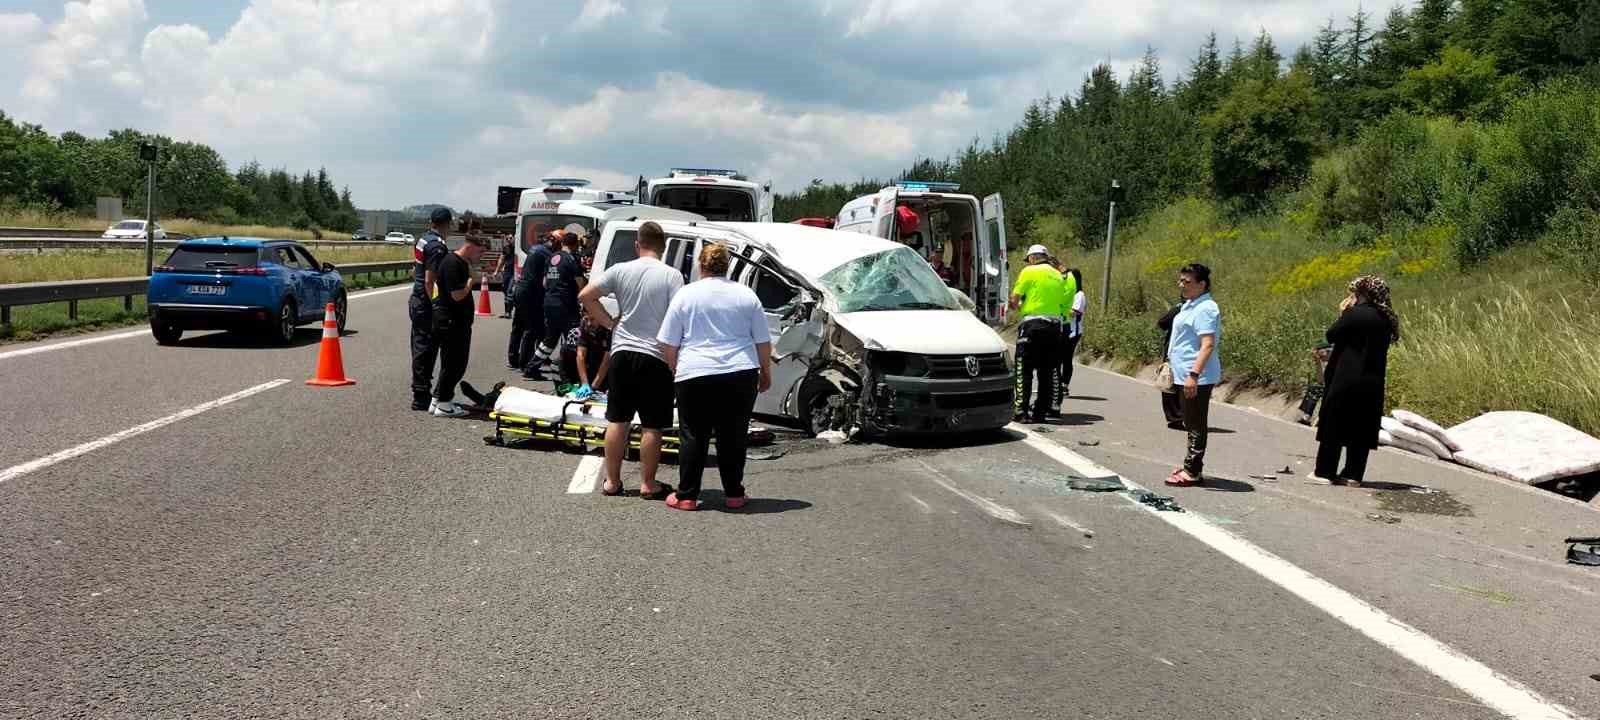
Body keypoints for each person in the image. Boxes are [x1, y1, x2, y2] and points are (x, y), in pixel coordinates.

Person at [656, 243, 773, 511]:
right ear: (728, 266)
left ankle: (687, 495)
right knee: (733, 435)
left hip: (694, 371)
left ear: (701, 265)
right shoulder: (746, 296)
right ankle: (734, 493)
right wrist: (765, 371)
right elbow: (762, 341)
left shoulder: (686, 295)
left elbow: (668, 343)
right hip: (739, 372)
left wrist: (675, 368)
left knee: (693, 434)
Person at [578, 221, 683, 500]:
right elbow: (678, 317)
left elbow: (586, 296)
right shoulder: (672, 276)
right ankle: (649, 483)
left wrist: (609, 323)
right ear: (663, 247)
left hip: (623, 352)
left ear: (638, 244)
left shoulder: (621, 270)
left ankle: (612, 481)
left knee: (618, 419)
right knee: (652, 424)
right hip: (655, 355)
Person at [1312, 276, 1400, 487]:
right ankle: (1353, 474)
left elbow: (1331, 334)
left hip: (1346, 377)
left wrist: (1344, 313)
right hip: (1372, 380)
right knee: (1361, 426)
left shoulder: (1354, 315)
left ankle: (1325, 471)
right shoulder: (1386, 319)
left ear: (1362, 295)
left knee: (1334, 421)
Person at [1165, 263, 1222, 487]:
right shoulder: (1190, 305)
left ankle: (1193, 471)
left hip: (1197, 375)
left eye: (1187, 282)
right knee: (1189, 421)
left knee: (1196, 422)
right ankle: (1190, 463)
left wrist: (1193, 375)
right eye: (1181, 280)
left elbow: (1207, 344)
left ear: (1202, 284)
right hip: (1183, 373)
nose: (1182, 285)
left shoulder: (1206, 308)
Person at [429, 234, 488, 417]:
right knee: (456, 363)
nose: (481, 256)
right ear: (469, 247)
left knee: (450, 362)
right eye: (480, 252)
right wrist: (471, 281)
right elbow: (457, 295)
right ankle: (444, 404)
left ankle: (437, 399)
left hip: (451, 320)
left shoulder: (457, 261)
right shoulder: (453, 263)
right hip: (452, 321)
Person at [1008, 245, 1067, 423]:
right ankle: (1040, 412)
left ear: (1032, 258)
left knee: (1023, 368)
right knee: (1047, 371)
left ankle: (1021, 411)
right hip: (1054, 327)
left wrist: (1016, 306)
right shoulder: (1058, 275)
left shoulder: (1029, 271)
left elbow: (1014, 299)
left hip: (1032, 324)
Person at [409, 208, 452, 411]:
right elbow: (430, 280)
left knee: (419, 345)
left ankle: (420, 390)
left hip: (417, 299)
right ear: (447, 224)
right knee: (426, 349)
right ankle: (421, 394)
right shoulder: (437, 246)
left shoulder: (423, 239)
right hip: (426, 302)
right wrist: (436, 304)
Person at [527, 231, 585, 374]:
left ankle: (531, 368)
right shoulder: (571, 259)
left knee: (550, 339)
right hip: (565, 304)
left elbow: (545, 282)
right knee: (573, 337)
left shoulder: (552, 257)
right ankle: (569, 373)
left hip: (549, 302)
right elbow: (581, 285)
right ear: (575, 244)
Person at [509, 230, 553, 375]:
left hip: (520, 290)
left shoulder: (534, 249)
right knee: (532, 329)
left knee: (519, 326)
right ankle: (527, 364)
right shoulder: (545, 253)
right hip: (531, 293)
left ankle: (513, 358)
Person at [559, 312, 612, 396]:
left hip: (608, 361)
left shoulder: (609, 329)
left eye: (592, 319)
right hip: (591, 359)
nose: (589, 323)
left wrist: (594, 386)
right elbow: (581, 355)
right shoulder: (584, 326)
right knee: (565, 349)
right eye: (586, 319)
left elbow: (607, 361)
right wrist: (585, 383)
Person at [1055, 267, 1086, 402]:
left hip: (1073, 331)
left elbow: (1074, 312)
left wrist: (1060, 309)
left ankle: (1064, 385)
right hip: (1062, 330)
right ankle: (1057, 385)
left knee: (1066, 358)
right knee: (1058, 358)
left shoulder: (1079, 295)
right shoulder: (1066, 293)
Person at [1155, 299, 1185, 429]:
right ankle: (1180, 416)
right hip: (1189, 354)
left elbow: (1162, 323)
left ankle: (1175, 417)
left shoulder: (1179, 308)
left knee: (1169, 383)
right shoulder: (1203, 308)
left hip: (1173, 352)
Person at [495, 232, 516, 318]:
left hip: (514, 272)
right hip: (506, 272)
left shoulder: (517, 248)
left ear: (514, 238)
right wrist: (497, 270)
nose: (508, 240)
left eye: (510, 238)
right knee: (505, 290)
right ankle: (506, 311)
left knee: (509, 291)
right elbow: (501, 259)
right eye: (507, 239)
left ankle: (508, 312)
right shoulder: (506, 248)